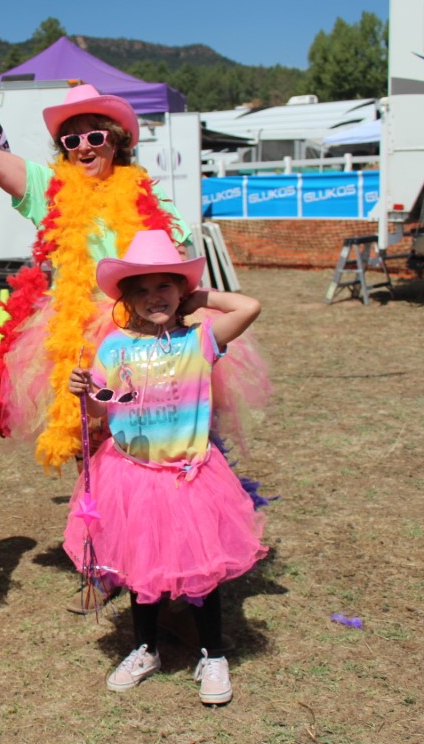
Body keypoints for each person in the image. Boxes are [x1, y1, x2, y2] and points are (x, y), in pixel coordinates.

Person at [0, 42, 195, 473]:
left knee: (156, 442)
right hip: (80, 335)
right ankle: (97, 513)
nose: (84, 146)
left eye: (95, 136)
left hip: (148, 333)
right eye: (71, 139)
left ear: (116, 142)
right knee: (95, 447)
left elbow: (182, 273)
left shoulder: (151, 200)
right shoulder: (50, 190)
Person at [64, 229, 268, 705]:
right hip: (131, 477)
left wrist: (201, 299)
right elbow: (100, 408)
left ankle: (212, 654)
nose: (154, 297)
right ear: (126, 300)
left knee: (202, 571)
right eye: (141, 290)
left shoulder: (199, 339)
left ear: (181, 292)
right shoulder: (114, 347)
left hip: (187, 478)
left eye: (165, 286)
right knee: (140, 569)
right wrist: (83, 393)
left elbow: (249, 307)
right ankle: (145, 648)